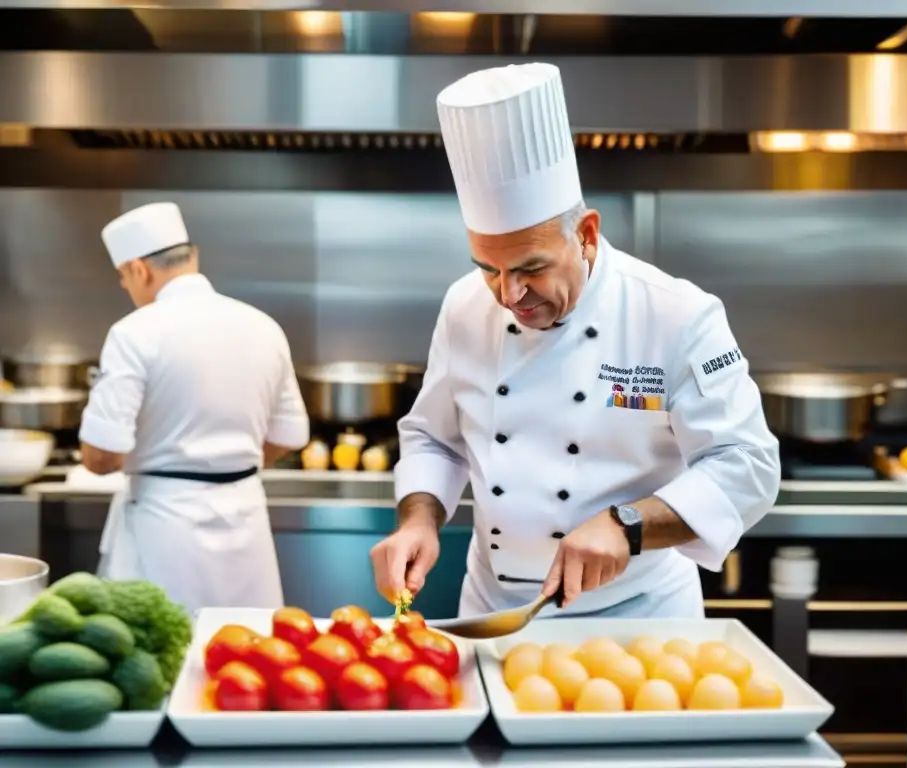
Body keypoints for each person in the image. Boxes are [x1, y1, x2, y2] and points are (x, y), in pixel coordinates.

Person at [371, 62, 781, 620]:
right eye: (488, 269)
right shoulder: (464, 306)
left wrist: (627, 525)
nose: (508, 294)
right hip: (496, 612)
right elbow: (434, 439)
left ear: (586, 234)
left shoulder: (676, 313)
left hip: (638, 615)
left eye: (530, 267)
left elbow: (747, 464)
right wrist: (418, 519)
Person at [78, 201, 310, 614]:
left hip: (163, 527)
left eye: (123, 277)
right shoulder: (262, 326)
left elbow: (100, 456)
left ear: (139, 270)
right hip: (245, 518)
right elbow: (290, 435)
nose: (125, 287)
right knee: (247, 656)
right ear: (193, 257)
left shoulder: (134, 333)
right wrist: (225, 465)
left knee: (160, 659)